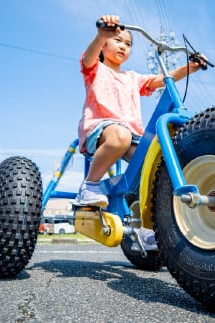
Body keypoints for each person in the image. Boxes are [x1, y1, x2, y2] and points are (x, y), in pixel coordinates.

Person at [76, 15, 207, 250]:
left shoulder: (132, 78)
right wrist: (101, 35)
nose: (123, 46)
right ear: (104, 45)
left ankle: (147, 228)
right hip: (102, 128)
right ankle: (90, 185)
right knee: (120, 136)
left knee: (151, 167)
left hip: (130, 135)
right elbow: (87, 59)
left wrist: (191, 67)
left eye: (128, 44)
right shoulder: (96, 69)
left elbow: (160, 80)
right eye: (117, 40)